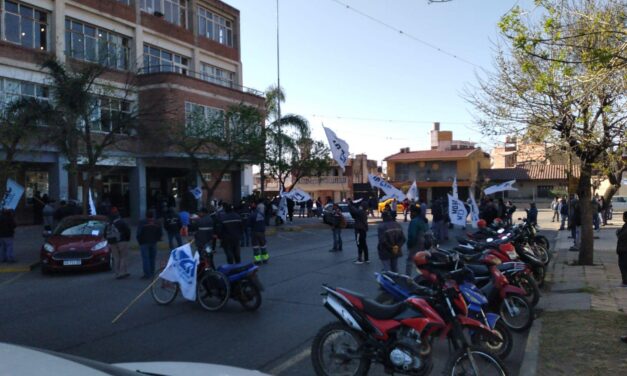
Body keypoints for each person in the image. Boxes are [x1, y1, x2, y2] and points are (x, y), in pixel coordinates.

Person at [136, 210, 162, 279]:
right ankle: (152, 272)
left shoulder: (142, 223)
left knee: (145, 259)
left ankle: (147, 274)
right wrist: (157, 239)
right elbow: (160, 233)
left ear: (146, 216)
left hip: (144, 242)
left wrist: (140, 241)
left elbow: (138, 233)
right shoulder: (157, 222)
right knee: (152, 258)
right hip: (153, 242)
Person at [107, 207, 131, 279]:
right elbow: (128, 231)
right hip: (122, 241)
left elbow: (105, 233)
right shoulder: (121, 222)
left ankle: (116, 273)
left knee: (116, 258)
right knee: (123, 257)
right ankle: (123, 272)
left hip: (112, 242)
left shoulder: (109, 223)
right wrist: (127, 239)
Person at [406, 206, 428, 276]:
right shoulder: (423, 220)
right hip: (424, 243)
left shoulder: (414, 221)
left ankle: (408, 278)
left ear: (415, 213)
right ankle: (424, 275)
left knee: (409, 261)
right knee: (422, 260)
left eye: (411, 212)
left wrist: (409, 244)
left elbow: (412, 235)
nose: (410, 214)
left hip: (416, 243)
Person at [348, 199, 369, 264]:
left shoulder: (361, 212)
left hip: (359, 230)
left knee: (359, 244)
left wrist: (350, 204)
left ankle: (360, 259)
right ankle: (366, 259)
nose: (360, 206)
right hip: (363, 230)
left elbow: (355, 211)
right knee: (364, 244)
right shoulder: (364, 212)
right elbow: (355, 214)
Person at [617, 211, 627, 287]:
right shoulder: (625, 226)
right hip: (622, 249)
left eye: (624, 217)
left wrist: (618, 233)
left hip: (624, 249)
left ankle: (625, 281)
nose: (623, 218)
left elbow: (622, 236)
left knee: (623, 265)